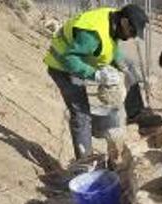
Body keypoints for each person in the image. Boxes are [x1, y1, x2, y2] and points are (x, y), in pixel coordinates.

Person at [44, 4, 149, 160]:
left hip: (82, 59)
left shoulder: (114, 20)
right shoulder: (92, 34)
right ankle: (85, 160)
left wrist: (121, 65)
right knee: (81, 114)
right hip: (63, 66)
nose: (133, 37)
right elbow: (69, 59)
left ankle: (136, 116)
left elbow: (111, 45)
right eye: (133, 32)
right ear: (125, 22)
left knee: (129, 68)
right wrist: (97, 75)